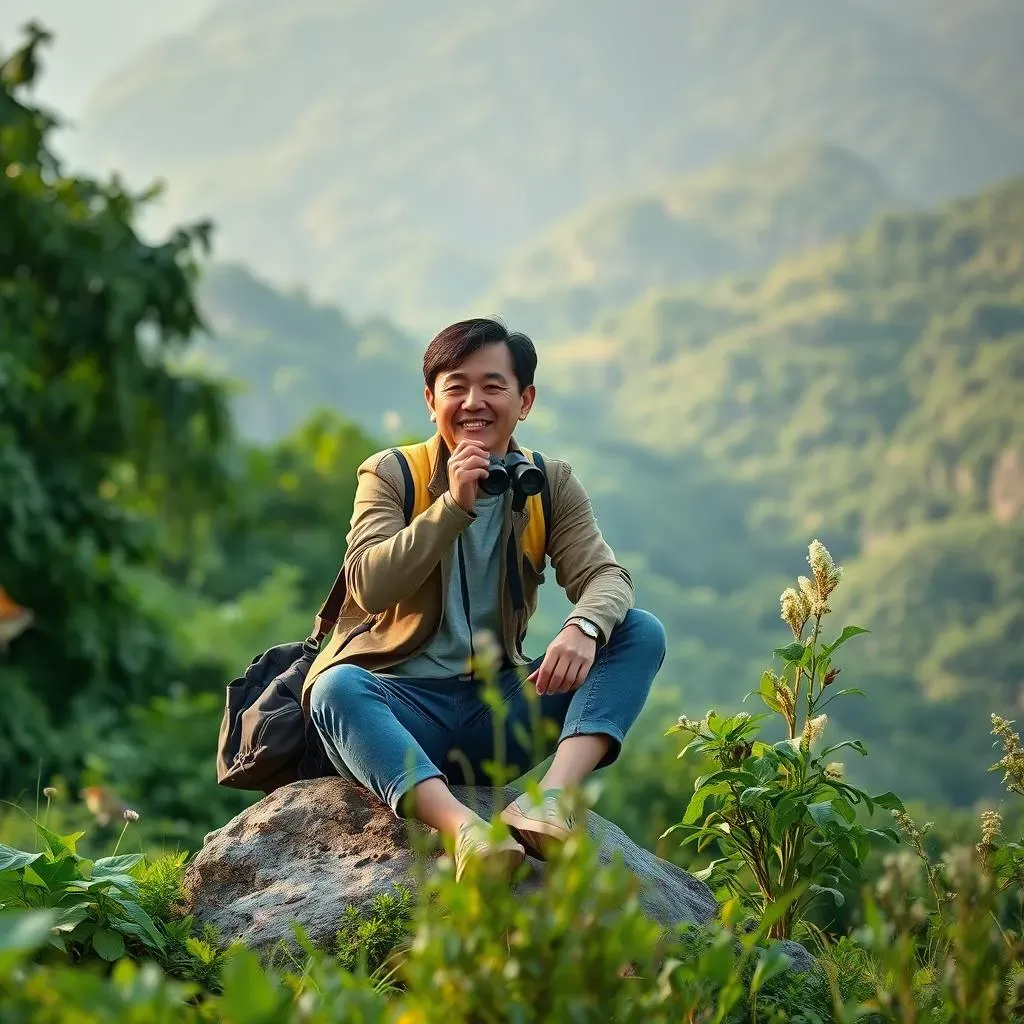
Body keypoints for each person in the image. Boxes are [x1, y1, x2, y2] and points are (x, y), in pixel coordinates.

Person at [303, 318, 666, 880]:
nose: (474, 402)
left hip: (497, 713)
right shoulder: (391, 473)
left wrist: (584, 627)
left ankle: (547, 803)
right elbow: (368, 584)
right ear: (431, 400)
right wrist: (450, 507)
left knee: (639, 631)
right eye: (456, 387)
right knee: (334, 686)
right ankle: (465, 832)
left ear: (525, 401)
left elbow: (607, 576)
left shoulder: (548, 482)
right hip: (401, 711)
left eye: (493, 387)